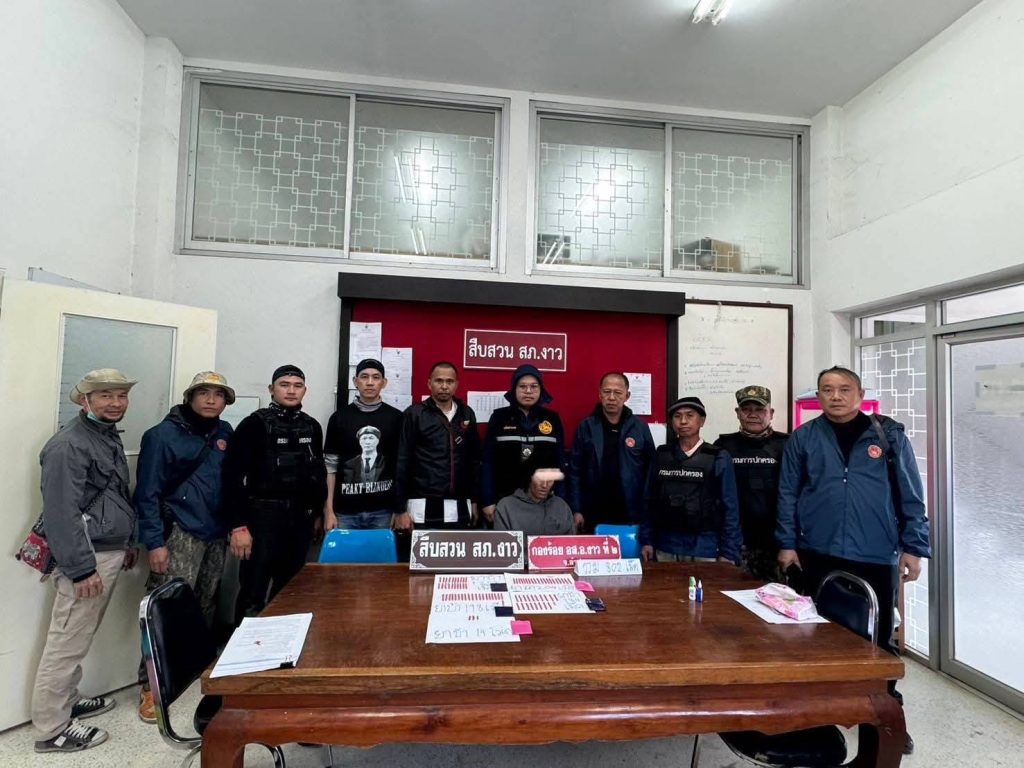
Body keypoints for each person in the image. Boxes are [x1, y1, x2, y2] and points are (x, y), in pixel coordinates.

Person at [777, 366, 930, 755]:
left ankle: (886, 717)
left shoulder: (887, 435)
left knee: (877, 641)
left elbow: (911, 494)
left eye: (844, 389)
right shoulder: (804, 438)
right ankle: (821, 713)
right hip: (818, 550)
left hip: (874, 552)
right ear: (818, 396)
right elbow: (788, 493)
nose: (836, 396)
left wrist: (914, 546)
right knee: (817, 637)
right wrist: (787, 544)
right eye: (827, 390)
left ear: (860, 394)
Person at [31, 369, 139, 753]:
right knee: (66, 643)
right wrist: (81, 569)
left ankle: (68, 700)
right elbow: (61, 513)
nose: (115, 403)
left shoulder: (103, 435)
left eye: (121, 396)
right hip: (87, 556)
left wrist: (126, 541)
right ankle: (51, 729)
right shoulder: (68, 445)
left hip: (106, 549)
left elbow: (113, 495)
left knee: (79, 637)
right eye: (106, 395)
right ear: (84, 400)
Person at [133, 371, 235, 723]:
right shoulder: (161, 436)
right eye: (203, 393)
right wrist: (155, 542)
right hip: (178, 533)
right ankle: (150, 685)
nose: (211, 400)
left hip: (215, 533)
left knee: (204, 604)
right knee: (163, 610)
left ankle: (193, 668)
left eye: (218, 395)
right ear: (190, 397)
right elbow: (146, 494)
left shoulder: (225, 433)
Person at [223, 364, 326, 623]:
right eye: (284, 385)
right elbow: (231, 478)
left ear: (305, 391)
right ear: (272, 389)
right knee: (253, 591)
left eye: (297, 386)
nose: (291, 391)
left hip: (301, 520)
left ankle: (284, 645)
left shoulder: (312, 426)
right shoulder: (254, 424)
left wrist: (317, 514)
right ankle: (247, 647)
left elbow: (318, 474)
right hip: (263, 519)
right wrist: (238, 526)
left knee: (290, 592)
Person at [640, 396, 741, 564]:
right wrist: (647, 540)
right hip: (666, 546)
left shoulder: (718, 457)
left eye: (690, 415)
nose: (683, 421)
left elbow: (730, 508)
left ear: (702, 420)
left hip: (705, 548)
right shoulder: (662, 455)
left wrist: (729, 552)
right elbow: (648, 501)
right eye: (677, 416)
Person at [714, 385, 789, 582]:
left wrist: (789, 543)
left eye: (760, 410)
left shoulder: (787, 445)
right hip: (736, 543)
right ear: (737, 413)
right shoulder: (723, 446)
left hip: (776, 543)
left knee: (775, 597)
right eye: (746, 409)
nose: (753, 415)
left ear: (771, 413)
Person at [394, 361, 481, 530]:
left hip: (460, 503)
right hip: (422, 504)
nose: (444, 386)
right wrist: (400, 509)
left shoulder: (466, 413)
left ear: (456, 384)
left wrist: (475, 500)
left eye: (449, 381)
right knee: (424, 547)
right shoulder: (414, 414)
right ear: (429, 383)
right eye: (439, 381)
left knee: (457, 547)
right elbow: (402, 461)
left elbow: (474, 461)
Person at [568, 372, 656, 533]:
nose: (612, 397)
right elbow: (575, 472)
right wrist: (576, 509)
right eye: (607, 392)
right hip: (593, 510)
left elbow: (650, 471)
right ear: (600, 394)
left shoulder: (639, 427)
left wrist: (646, 512)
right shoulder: (586, 427)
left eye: (618, 392)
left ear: (627, 396)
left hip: (630, 510)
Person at [323, 358, 403, 530]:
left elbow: (401, 467)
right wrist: (328, 510)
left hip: (383, 511)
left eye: (376, 377)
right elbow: (330, 469)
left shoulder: (397, 418)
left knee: (381, 549)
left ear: (384, 382)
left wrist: (400, 509)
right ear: (355, 381)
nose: (370, 382)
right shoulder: (339, 418)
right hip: (345, 512)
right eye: (364, 377)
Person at [480, 364, 565, 524]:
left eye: (534, 386)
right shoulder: (499, 417)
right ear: (514, 389)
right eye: (522, 386)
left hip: (543, 502)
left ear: (541, 389)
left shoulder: (552, 419)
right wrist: (487, 500)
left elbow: (559, 464)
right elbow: (488, 462)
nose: (528, 391)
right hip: (504, 500)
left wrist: (560, 501)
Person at [493, 467, 574, 536]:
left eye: (549, 480)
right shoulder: (506, 507)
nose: (544, 485)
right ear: (530, 477)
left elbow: (571, 544)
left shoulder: (561, 507)